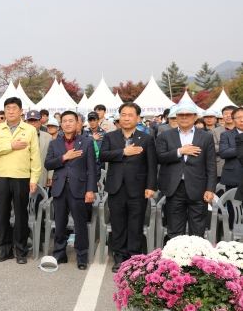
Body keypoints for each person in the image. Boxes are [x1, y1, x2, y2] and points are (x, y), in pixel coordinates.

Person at [99, 102, 158, 273]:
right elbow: (103, 155)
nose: (126, 118)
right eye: (123, 114)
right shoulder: (111, 137)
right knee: (118, 224)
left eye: (130, 115)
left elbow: (152, 165)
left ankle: (134, 259)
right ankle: (119, 257)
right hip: (116, 187)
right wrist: (124, 152)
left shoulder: (146, 138)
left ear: (138, 118)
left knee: (135, 224)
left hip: (138, 188)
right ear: (119, 116)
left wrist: (151, 186)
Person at [0, 98, 41, 263]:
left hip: (21, 177)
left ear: (21, 111)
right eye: (7, 108)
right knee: (2, 214)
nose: (10, 111)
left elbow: (35, 157)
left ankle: (21, 252)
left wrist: (34, 179)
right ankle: (5, 250)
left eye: (14, 108)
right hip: (1, 177)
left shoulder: (29, 130)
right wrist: (11, 146)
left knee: (21, 215)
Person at [44, 111, 97, 270]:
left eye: (71, 121)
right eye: (64, 121)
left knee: (80, 224)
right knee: (60, 223)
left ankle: (82, 256)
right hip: (59, 187)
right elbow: (48, 164)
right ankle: (60, 254)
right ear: (61, 124)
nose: (67, 123)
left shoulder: (86, 142)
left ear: (78, 123)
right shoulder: (55, 143)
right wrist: (64, 158)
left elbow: (92, 169)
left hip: (79, 188)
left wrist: (90, 190)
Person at [156, 102, 216, 239]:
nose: (184, 117)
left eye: (188, 114)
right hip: (174, 187)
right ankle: (176, 260)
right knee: (175, 230)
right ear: (175, 117)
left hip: (198, 188)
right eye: (180, 115)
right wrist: (180, 151)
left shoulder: (205, 136)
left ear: (195, 117)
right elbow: (158, 157)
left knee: (198, 230)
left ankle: (197, 260)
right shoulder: (165, 136)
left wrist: (210, 189)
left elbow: (211, 164)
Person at [25, 110, 53, 189]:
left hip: (42, 175)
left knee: (40, 199)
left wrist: (50, 175)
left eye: (35, 120)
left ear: (40, 121)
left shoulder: (48, 137)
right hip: (24, 175)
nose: (33, 123)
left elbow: (51, 157)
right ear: (26, 122)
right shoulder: (20, 136)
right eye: (30, 121)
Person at [213, 105, 236, 182]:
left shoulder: (240, 130)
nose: (228, 116)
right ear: (222, 116)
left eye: (231, 113)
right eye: (225, 114)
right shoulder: (215, 131)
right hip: (220, 166)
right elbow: (213, 146)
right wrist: (225, 148)